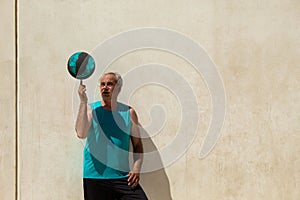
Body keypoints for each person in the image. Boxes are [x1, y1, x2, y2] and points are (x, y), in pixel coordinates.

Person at [75, 72, 148, 200]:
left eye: (109, 84)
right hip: (95, 177)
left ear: (118, 88)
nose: (105, 87)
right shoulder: (91, 109)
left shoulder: (129, 113)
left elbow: (137, 146)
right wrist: (83, 102)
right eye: (102, 84)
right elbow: (81, 133)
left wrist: (136, 168)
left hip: (122, 177)